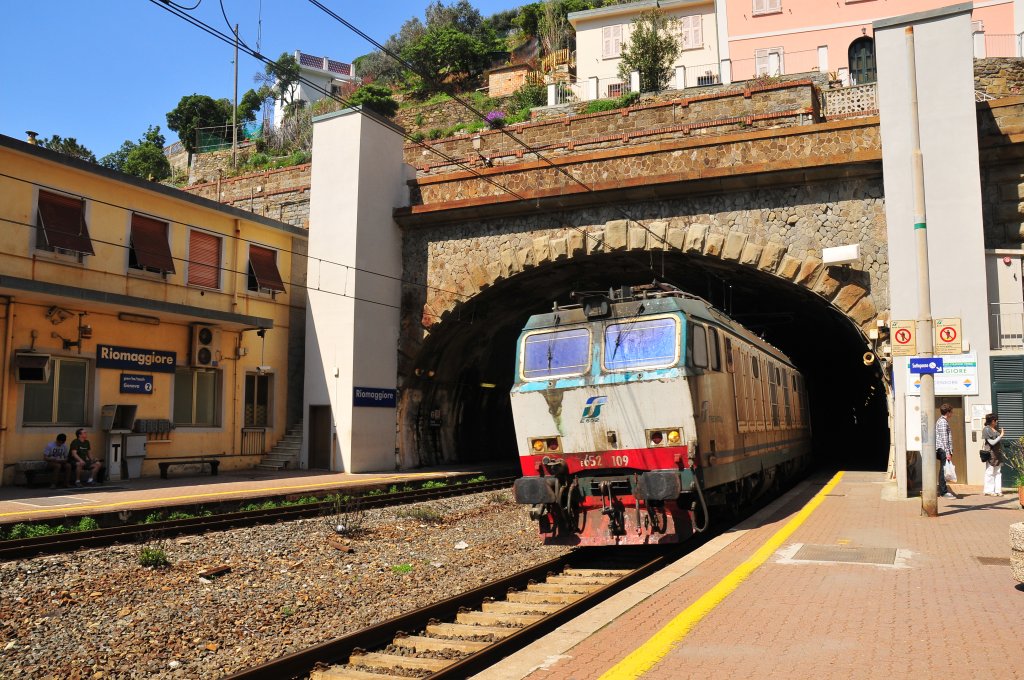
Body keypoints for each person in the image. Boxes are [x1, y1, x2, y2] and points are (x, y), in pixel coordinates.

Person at [935, 403, 956, 499]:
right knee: (944, 471)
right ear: (948, 412)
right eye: (951, 412)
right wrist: (948, 453)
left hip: (943, 449)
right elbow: (944, 438)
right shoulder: (943, 422)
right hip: (943, 449)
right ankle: (943, 492)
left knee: (943, 470)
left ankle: (943, 490)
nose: (952, 414)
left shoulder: (942, 421)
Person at [982, 413, 1004, 497]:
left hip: (997, 453)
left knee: (998, 472)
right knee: (990, 472)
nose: (997, 421)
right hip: (991, 453)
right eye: (995, 420)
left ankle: (998, 490)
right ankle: (989, 490)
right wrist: (1001, 435)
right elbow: (992, 442)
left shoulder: (994, 429)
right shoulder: (986, 429)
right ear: (992, 421)